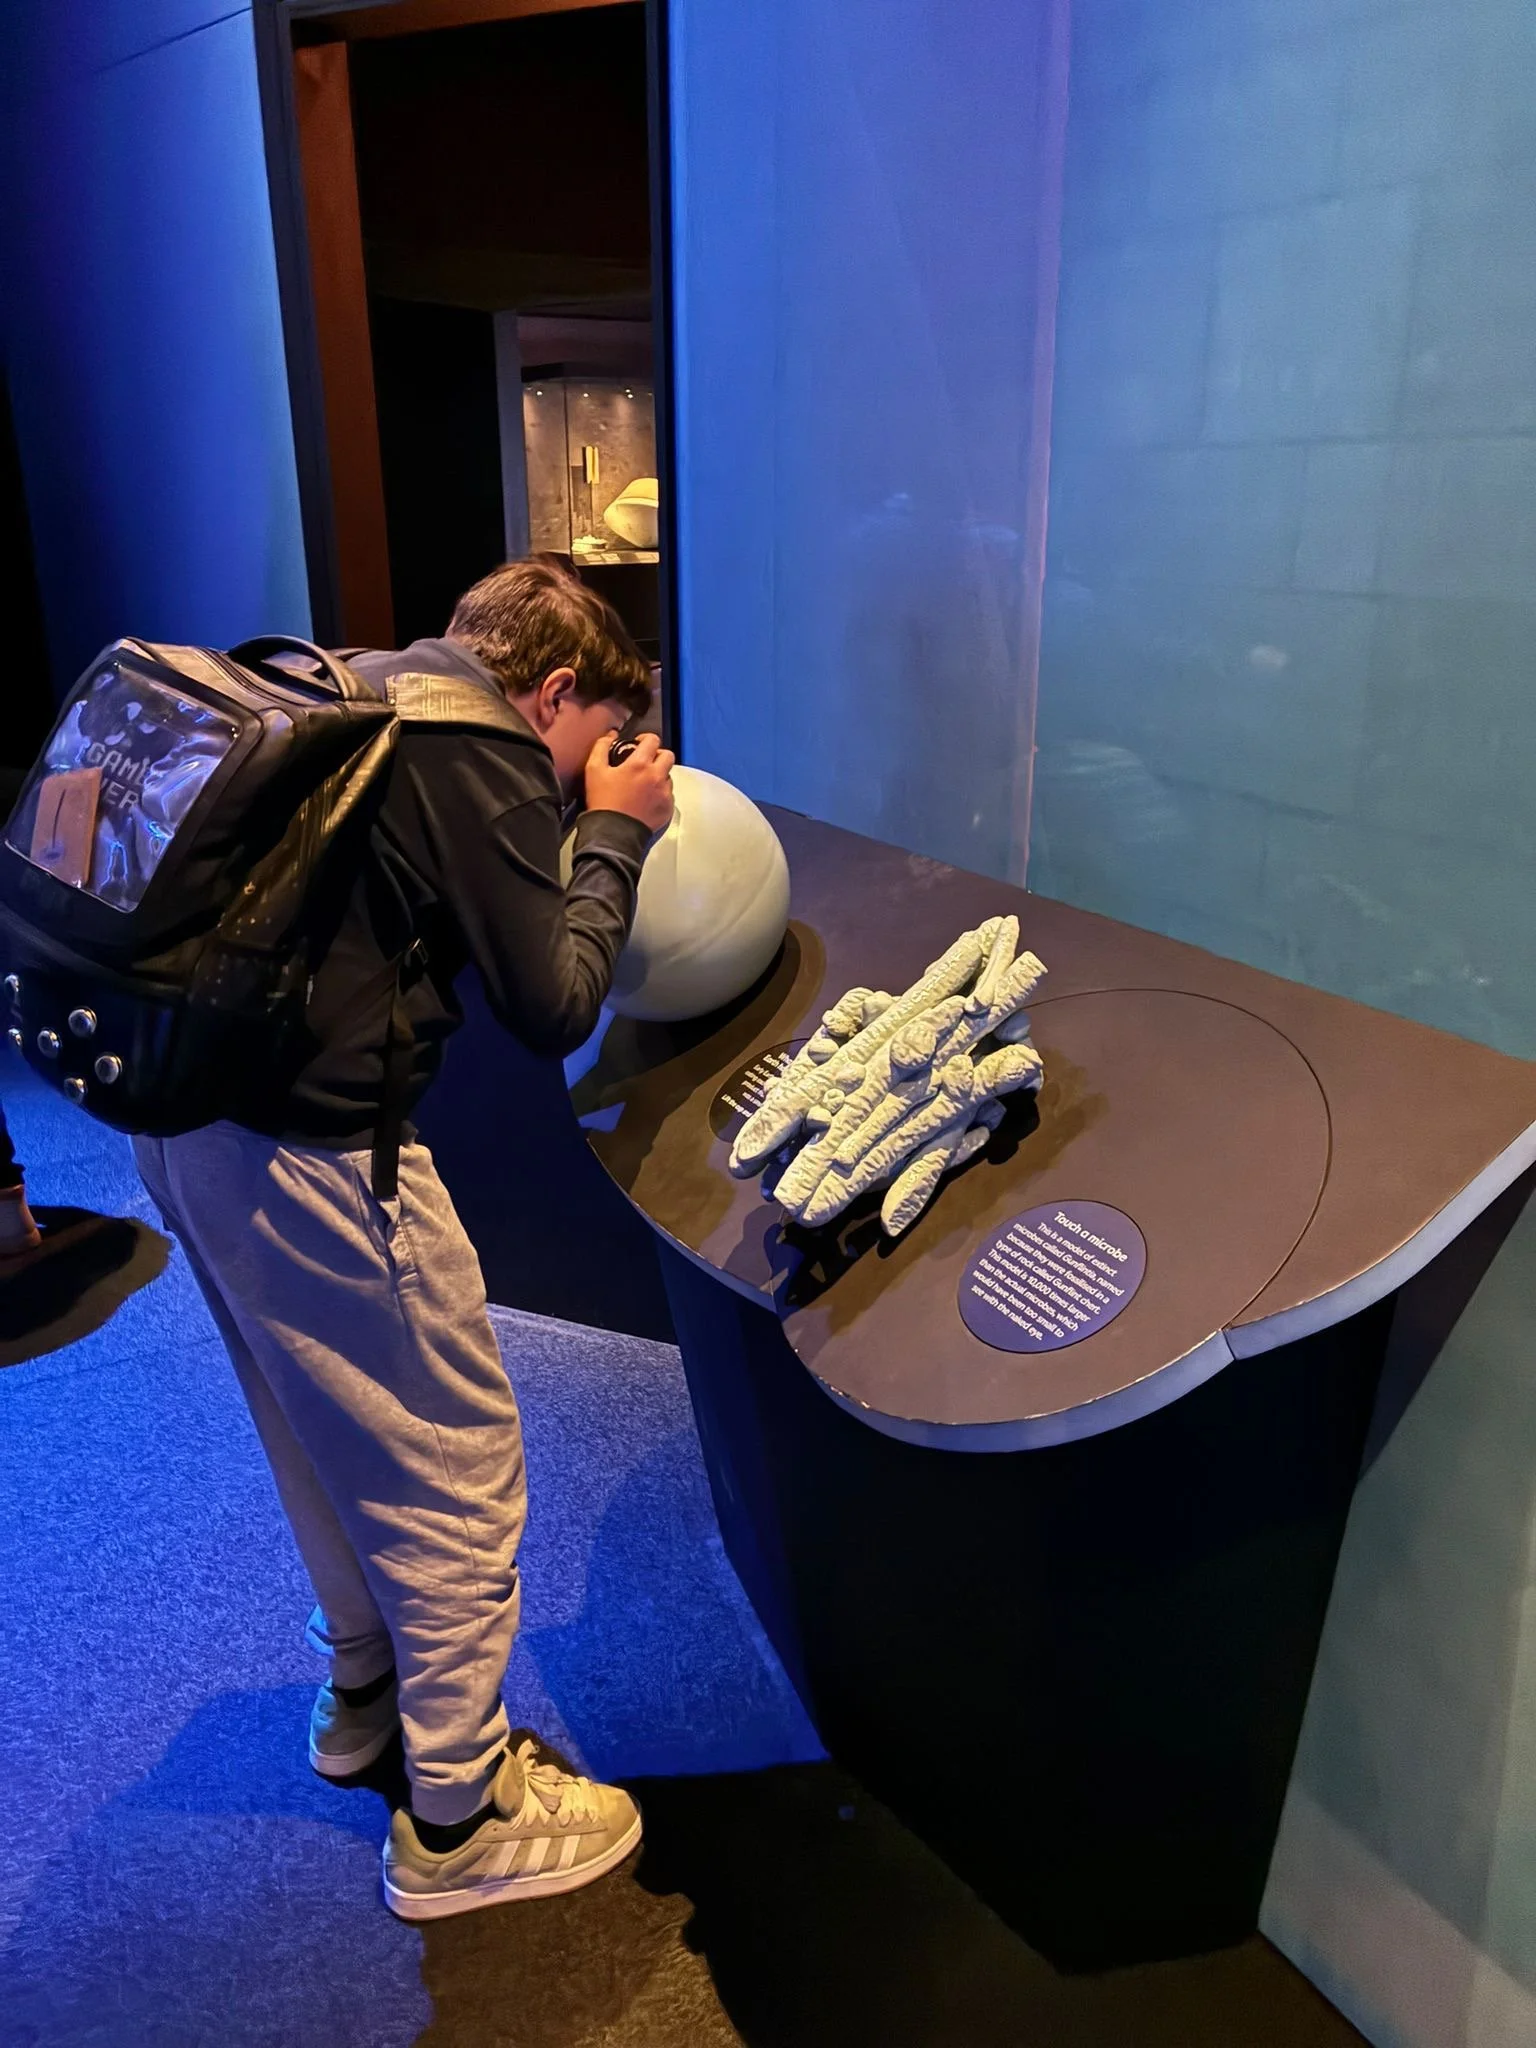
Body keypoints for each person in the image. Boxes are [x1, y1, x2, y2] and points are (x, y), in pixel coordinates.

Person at [133, 558, 675, 1920]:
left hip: (187, 1120)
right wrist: (616, 828)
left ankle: (367, 1699)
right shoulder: (478, 739)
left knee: (319, 1424)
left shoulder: (364, 687)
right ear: (556, 691)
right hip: (323, 1152)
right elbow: (552, 1001)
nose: (576, 773)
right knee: (453, 1456)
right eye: (592, 739)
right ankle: (462, 1817)